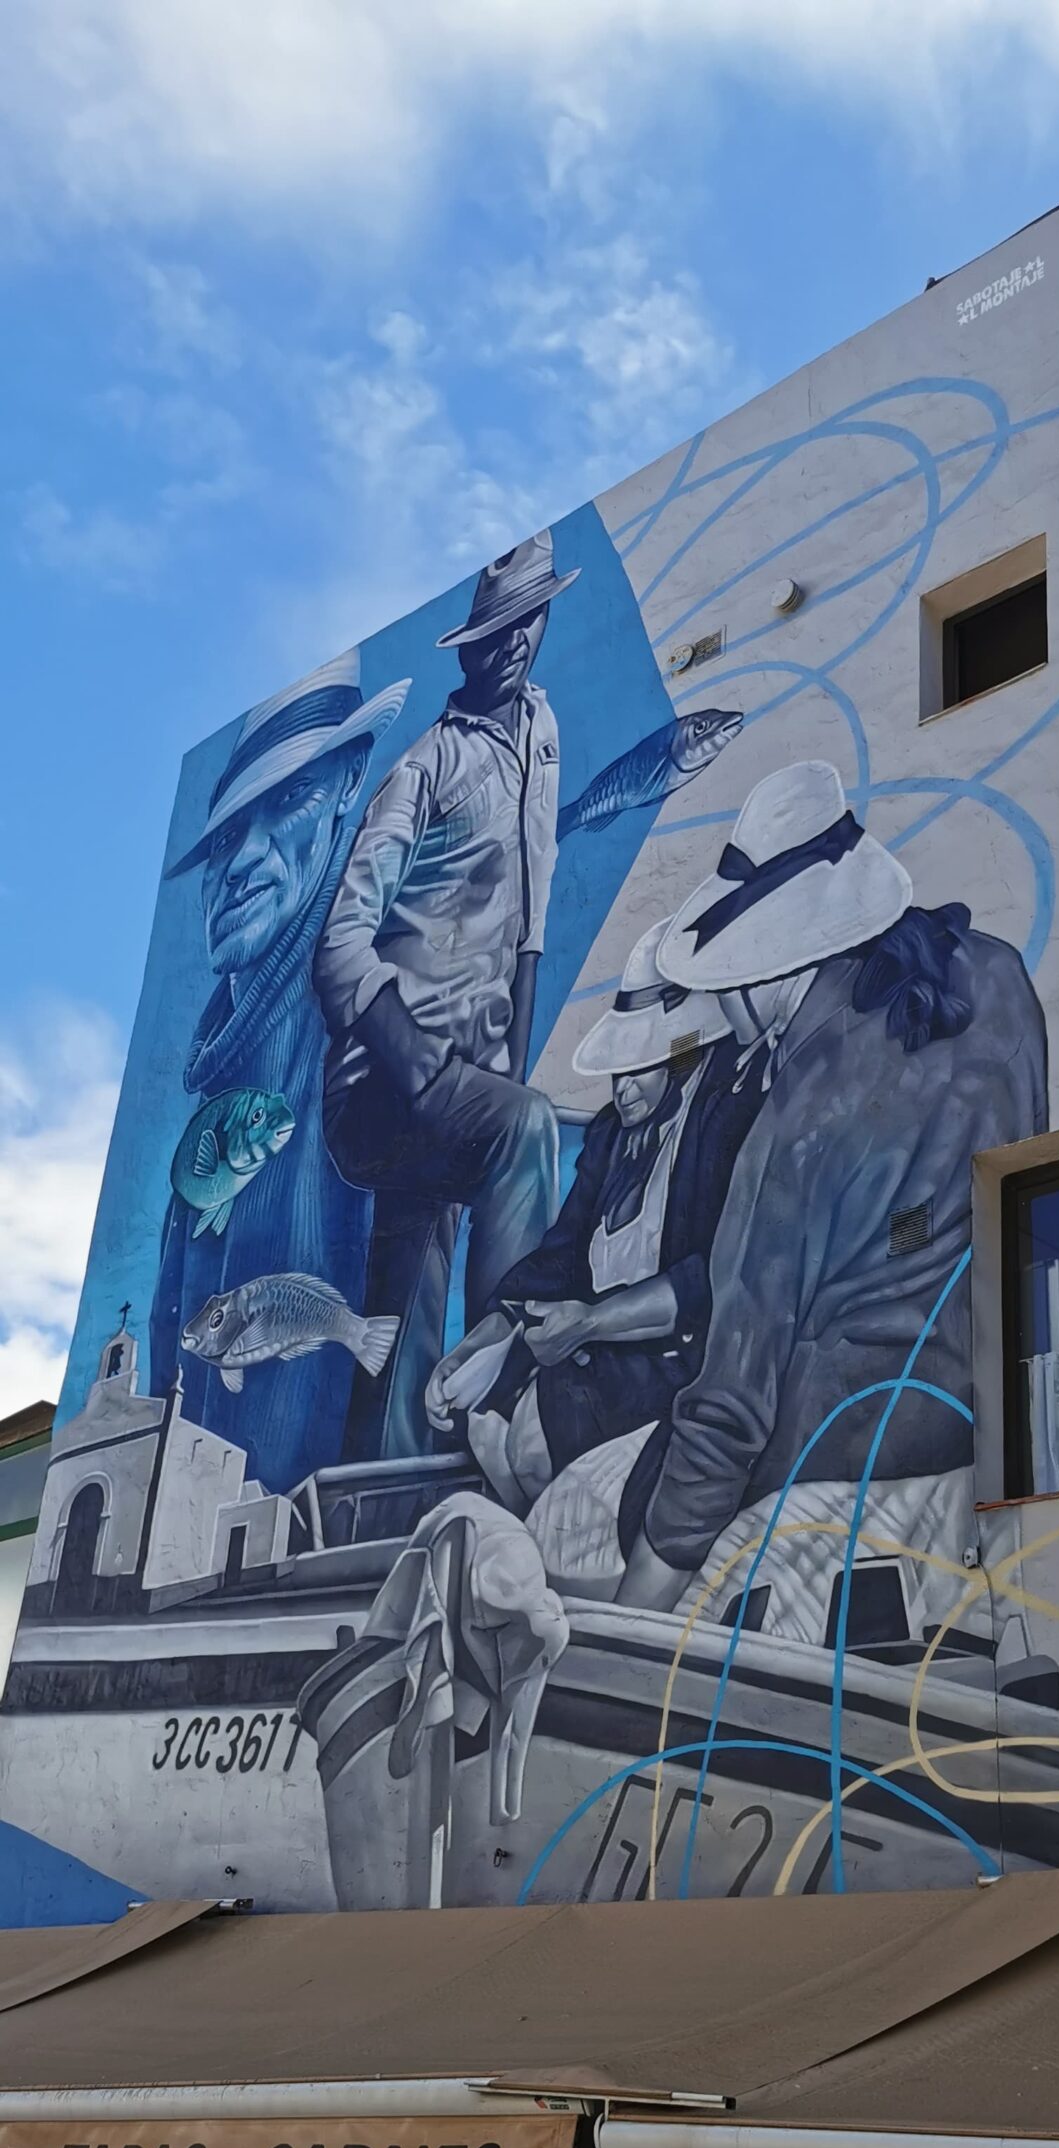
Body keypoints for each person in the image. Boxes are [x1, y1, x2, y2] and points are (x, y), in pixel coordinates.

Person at [618, 759, 1049, 1610]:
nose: (719, 1013)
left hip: (839, 1441)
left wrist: (625, 1624)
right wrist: (884, 1249)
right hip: (974, 1419)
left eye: (717, 986)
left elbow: (729, 1411)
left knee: (630, 1501)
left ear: (762, 967)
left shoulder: (796, 1126)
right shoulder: (998, 976)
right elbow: (944, 1212)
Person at [314, 532, 580, 1459]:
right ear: (467, 646)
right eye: (497, 629)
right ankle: (502, 1403)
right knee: (522, 1130)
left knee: (404, 1296)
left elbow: (531, 924)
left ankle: (380, 1483)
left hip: (464, 1076)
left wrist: (506, 1065)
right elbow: (339, 941)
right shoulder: (424, 769)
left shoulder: (542, 731)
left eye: (530, 619)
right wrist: (419, 1061)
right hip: (382, 1084)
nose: (515, 642)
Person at [151, 649, 411, 1488]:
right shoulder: (227, 1050)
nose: (244, 860)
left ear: (348, 784)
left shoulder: (337, 1014)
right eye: (226, 835)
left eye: (290, 799)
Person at [425, 921, 763, 1508]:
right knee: (484, 1427)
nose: (623, 1090)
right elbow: (560, 1257)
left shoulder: (718, 1128)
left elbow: (713, 1277)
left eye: (639, 1070)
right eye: (617, 1072)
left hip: (679, 1361)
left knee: (531, 1443)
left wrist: (591, 1322)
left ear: (679, 1060)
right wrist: (480, 1341)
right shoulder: (611, 1136)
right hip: (600, 1352)